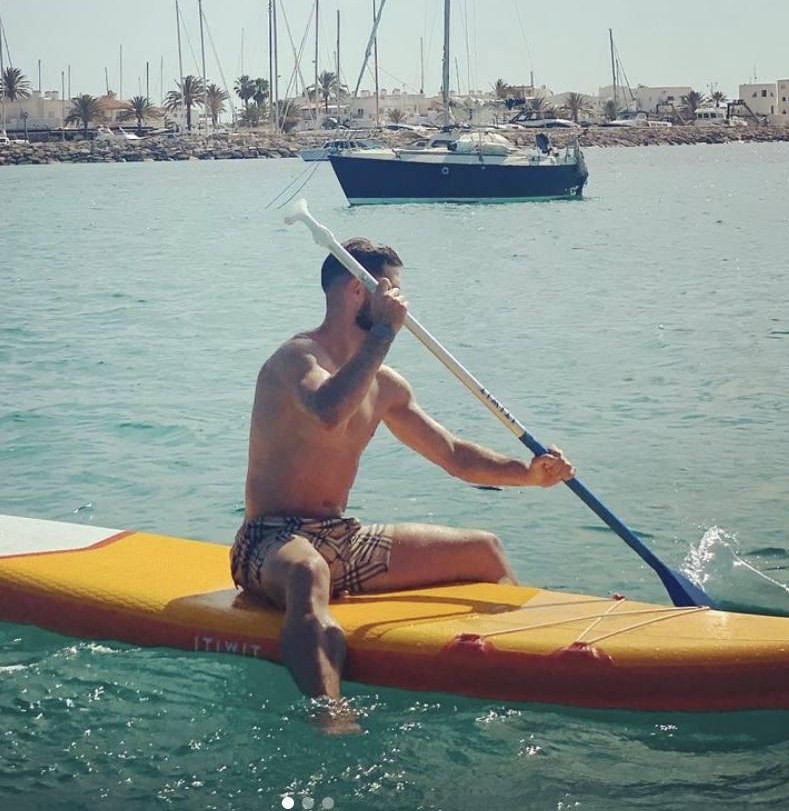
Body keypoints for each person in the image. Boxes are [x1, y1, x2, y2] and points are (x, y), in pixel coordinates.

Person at [230, 238, 575, 705]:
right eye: (391, 290)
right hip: (268, 540)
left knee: (484, 550)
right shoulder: (297, 359)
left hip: (341, 539)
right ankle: (330, 716)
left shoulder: (386, 386)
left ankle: (523, 671)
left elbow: (454, 454)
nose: (403, 304)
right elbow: (329, 410)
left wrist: (530, 474)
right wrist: (384, 333)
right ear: (358, 290)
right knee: (307, 573)